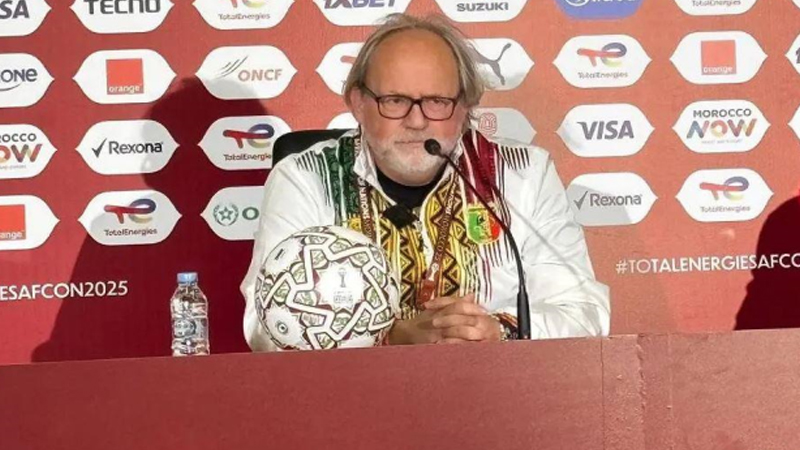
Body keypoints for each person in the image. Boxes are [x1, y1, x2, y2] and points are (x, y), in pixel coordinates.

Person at [241, 13, 610, 350]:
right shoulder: (307, 177)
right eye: (395, 100)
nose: (417, 121)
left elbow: (584, 311)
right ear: (358, 103)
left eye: (437, 101)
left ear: (465, 107)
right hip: (352, 396)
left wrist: (499, 331)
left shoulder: (523, 174)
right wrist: (388, 338)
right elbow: (263, 327)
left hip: (495, 391)